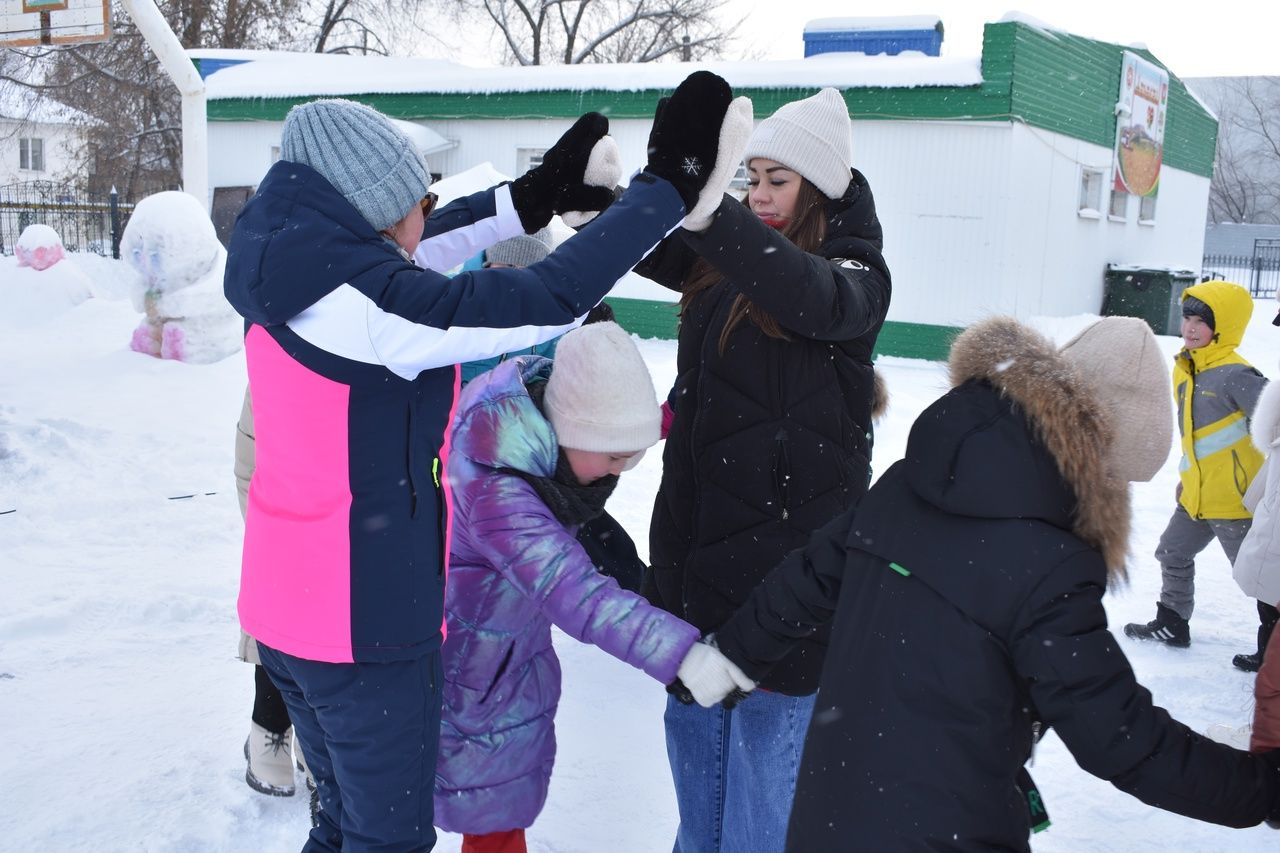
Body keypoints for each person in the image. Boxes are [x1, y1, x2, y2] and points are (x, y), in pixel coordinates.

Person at [222, 72, 753, 852]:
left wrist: (526, 199)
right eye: (419, 203)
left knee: (343, 828)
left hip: (289, 614)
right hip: (358, 629)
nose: (425, 221)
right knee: (386, 841)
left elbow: (414, 249)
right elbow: (549, 294)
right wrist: (666, 190)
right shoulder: (371, 311)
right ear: (373, 214)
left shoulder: (291, 267)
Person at [693, 315, 1280, 850]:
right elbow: (1119, 735)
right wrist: (1261, 788)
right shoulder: (1050, 563)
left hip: (834, 810)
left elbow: (807, 575)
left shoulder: (907, 486)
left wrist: (730, 659)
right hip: (950, 827)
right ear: (1091, 455)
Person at [630, 86, 891, 850]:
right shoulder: (724, 265)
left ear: (820, 186)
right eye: (750, 179)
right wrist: (603, 205)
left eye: (777, 180)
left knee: (759, 833)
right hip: (699, 585)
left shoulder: (855, 277)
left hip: (788, 615)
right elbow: (662, 245)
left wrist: (717, 216)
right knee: (700, 828)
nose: (758, 194)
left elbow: (806, 292)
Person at [434, 322, 750, 853]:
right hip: (468, 669)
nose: (618, 471)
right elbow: (577, 592)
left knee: (496, 803)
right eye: (612, 456)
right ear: (571, 431)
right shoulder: (500, 492)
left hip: (504, 652)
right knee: (481, 810)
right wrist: (683, 656)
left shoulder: (543, 438)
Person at [1124, 281, 1275, 672]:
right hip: (1195, 495)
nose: (1190, 328)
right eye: (1188, 318)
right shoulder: (1185, 369)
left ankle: (1273, 651)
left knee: (1261, 579)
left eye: (1201, 322)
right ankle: (1173, 622)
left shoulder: (1237, 375)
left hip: (1235, 501)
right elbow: (1197, 439)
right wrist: (1187, 479)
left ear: (1222, 326)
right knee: (1172, 552)